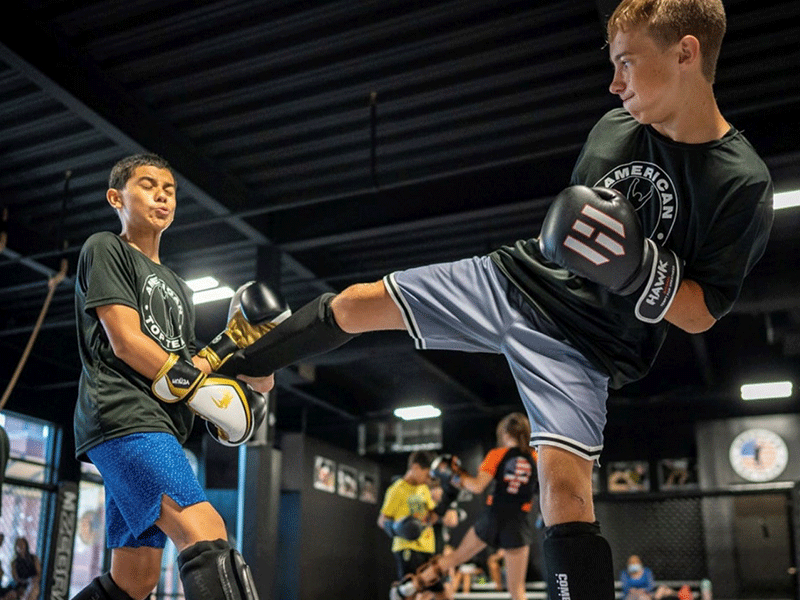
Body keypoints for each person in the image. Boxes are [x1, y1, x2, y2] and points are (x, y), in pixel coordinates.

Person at [217, 0, 773, 596]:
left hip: (588, 345)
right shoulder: (614, 128)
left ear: (685, 52)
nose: (614, 84)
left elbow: (702, 312)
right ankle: (237, 373)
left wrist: (639, 270)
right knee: (357, 301)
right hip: (510, 279)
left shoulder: (739, 180)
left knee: (564, 493)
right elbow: (568, 240)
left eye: (627, 64)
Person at [70, 153, 279, 600]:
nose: (163, 195)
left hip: (158, 425)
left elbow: (183, 366)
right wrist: (202, 390)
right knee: (206, 532)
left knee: (135, 580)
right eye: (148, 185)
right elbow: (126, 341)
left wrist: (235, 349)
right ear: (116, 197)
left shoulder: (179, 288)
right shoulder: (105, 248)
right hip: (124, 416)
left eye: (170, 189)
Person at [392, 413, 537, 600]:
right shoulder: (536, 458)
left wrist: (456, 473)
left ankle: (407, 588)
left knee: (456, 557)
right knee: (517, 591)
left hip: (493, 518)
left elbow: (476, 486)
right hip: (518, 523)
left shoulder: (497, 455)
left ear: (504, 433)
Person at [378, 451, 453, 600]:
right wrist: (396, 528)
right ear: (415, 467)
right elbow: (381, 520)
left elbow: (432, 517)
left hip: (427, 548)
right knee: (410, 593)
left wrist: (445, 503)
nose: (428, 479)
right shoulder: (396, 489)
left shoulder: (424, 489)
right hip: (407, 548)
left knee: (442, 593)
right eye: (426, 474)